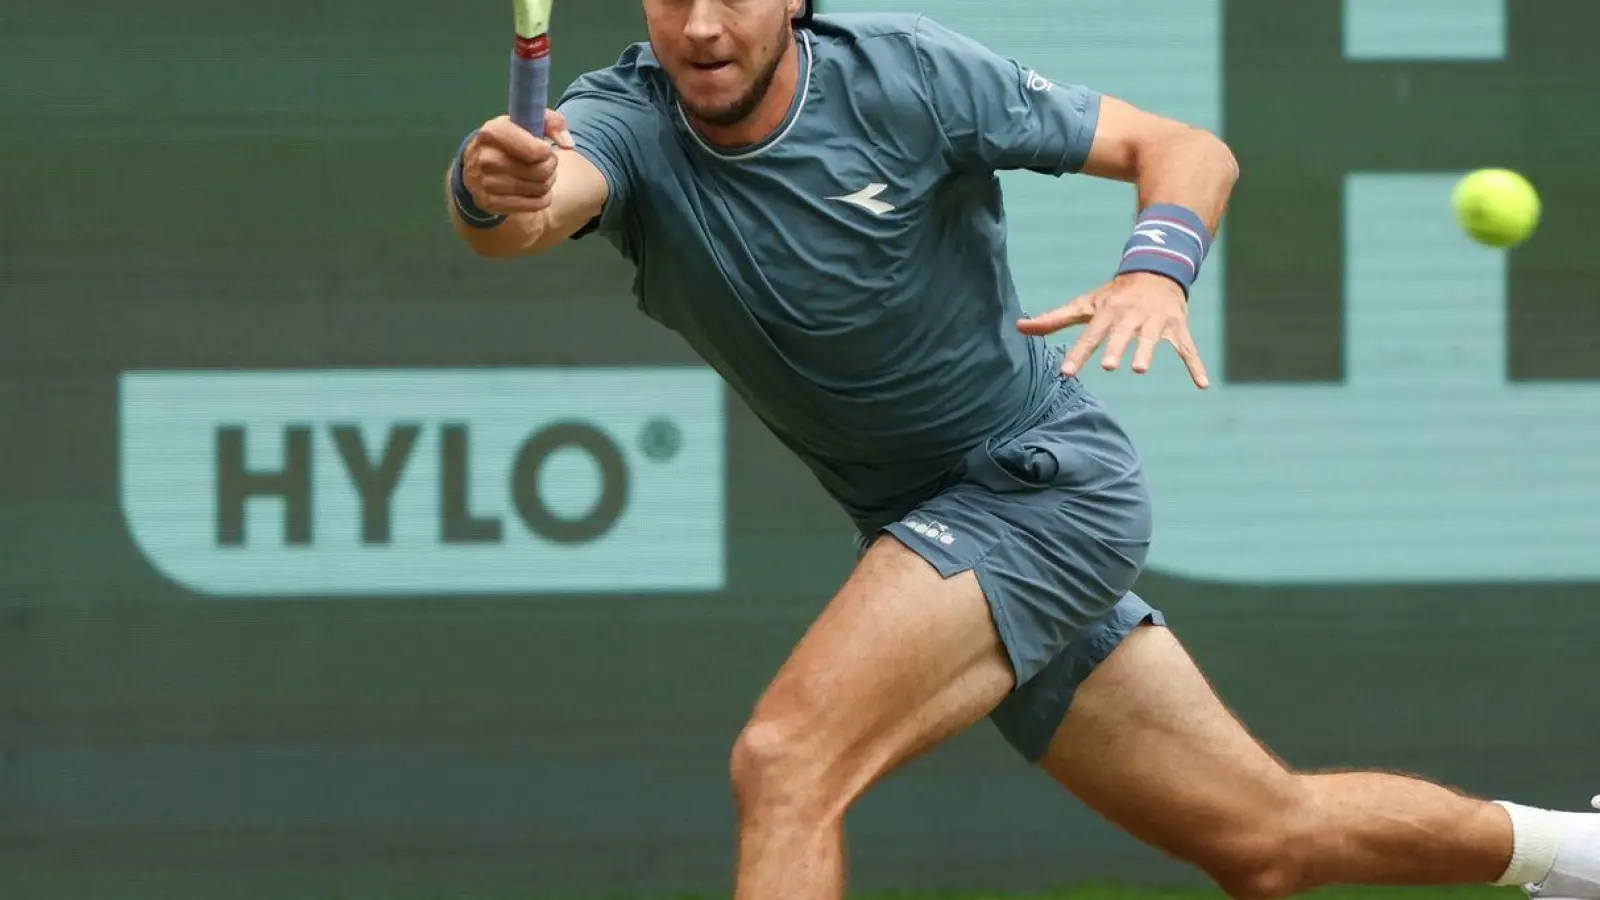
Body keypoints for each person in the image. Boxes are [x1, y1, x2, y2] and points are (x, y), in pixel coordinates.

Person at [442, 2, 1599, 898]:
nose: (700, 27)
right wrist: (496, 189)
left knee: (788, 761)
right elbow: (531, 214)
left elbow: (1187, 149)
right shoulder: (623, 121)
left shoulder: (909, 76)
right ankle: (1578, 853)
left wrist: (1155, 266)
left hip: (1037, 488)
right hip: (931, 529)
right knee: (1266, 843)